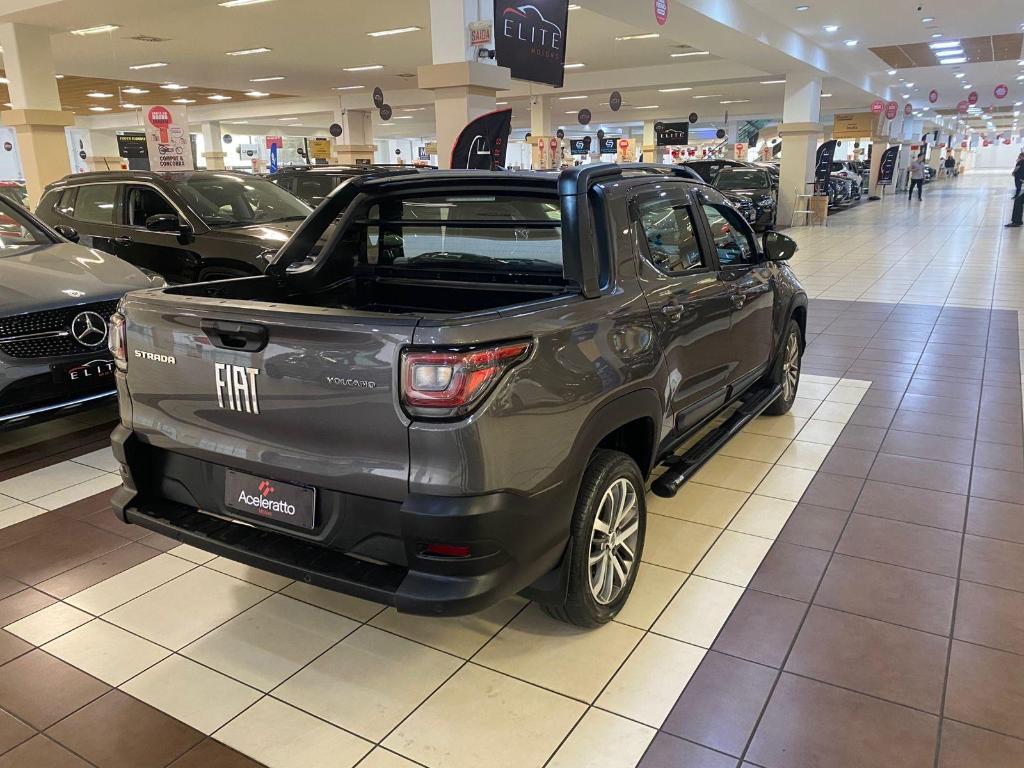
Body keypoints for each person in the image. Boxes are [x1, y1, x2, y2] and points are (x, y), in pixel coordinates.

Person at [1007, 158, 1024, 228]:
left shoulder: (1021, 162)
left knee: (1018, 201)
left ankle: (1016, 221)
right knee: (1018, 201)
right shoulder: (1022, 162)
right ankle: (1016, 221)